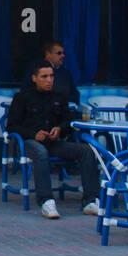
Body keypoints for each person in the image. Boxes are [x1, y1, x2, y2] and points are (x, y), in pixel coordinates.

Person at [6, 60, 101, 219]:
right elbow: (12, 126)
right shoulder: (22, 97)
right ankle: (46, 201)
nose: (49, 80)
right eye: (44, 76)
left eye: (51, 76)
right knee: (40, 152)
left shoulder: (59, 97)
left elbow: (68, 122)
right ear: (34, 78)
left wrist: (60, 129)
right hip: (30, 142)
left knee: (86, 150)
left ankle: (91, 201)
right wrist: (33, 134)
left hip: (53, 142)